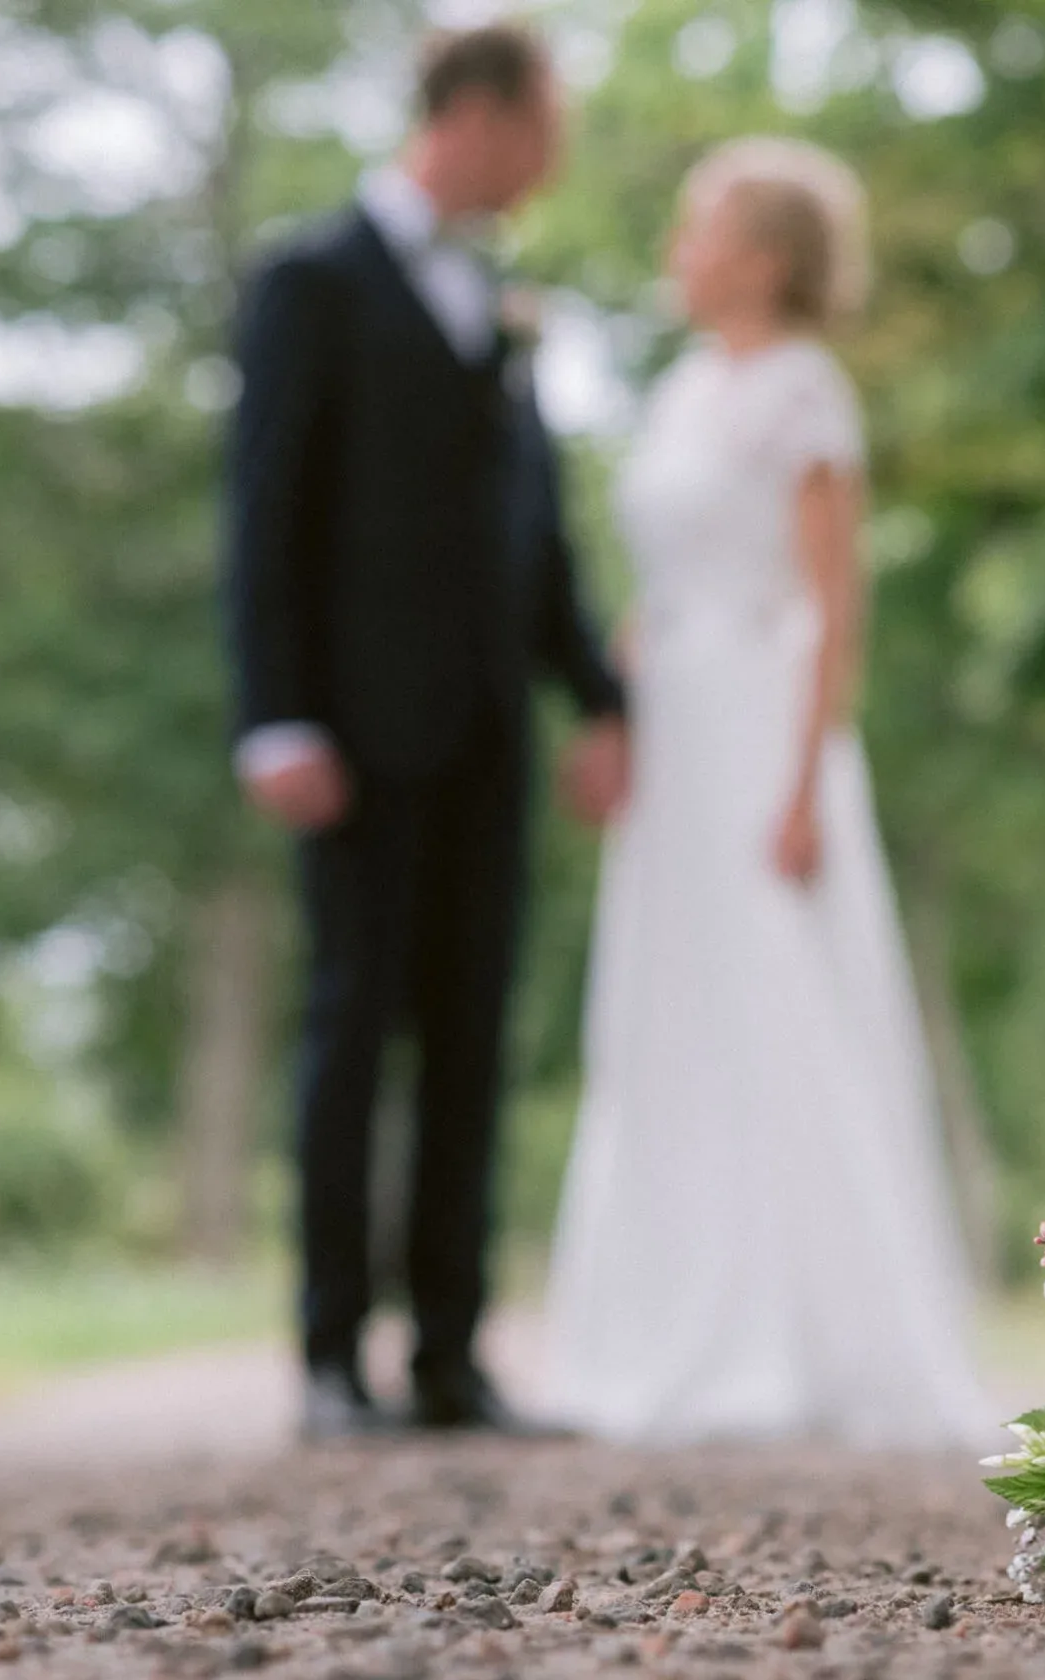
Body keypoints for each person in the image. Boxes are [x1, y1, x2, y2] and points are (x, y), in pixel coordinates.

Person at [538, 139, 992, 1446]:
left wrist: (803, 782)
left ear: (767, 255)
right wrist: (613, 721)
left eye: (701, 228)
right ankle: (663, 1319)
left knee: (778, 1004)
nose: (680, 250)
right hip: (672, 728)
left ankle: (805, 1334)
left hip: (760, 725)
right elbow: (654, 588)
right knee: (664, 1015)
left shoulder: (805, 394)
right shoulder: (682, 388)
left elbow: (833, 601)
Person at [223, 24, 630, 1439]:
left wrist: (598, 691)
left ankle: (449, 1354)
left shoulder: (501, 301)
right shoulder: (311, 277)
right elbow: (263, 508)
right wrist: (273, 712)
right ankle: (331, 1355)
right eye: (544, 130)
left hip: (486, 736)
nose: (551, 162)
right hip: (349, 730)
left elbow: (534, 527)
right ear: (477, 114)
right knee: (353, 1030)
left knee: (471, 1035)